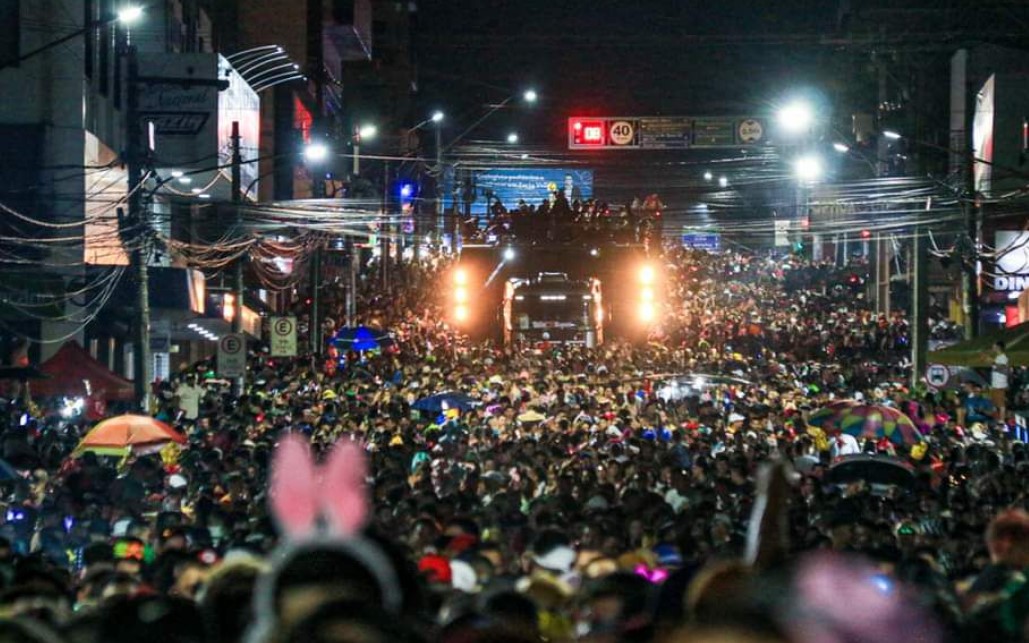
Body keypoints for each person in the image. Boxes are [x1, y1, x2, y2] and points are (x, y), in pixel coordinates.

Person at [990, 341, 1010, 422]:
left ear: (998, 347)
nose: (992, 348)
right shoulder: (997, 357)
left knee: (1001, 404)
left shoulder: (1003, 357)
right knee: (996, 403)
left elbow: (1004, 369)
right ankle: (998, 419)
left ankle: (1002, 421)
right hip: (995, 384)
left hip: (1000, 384)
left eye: (993, 347)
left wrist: (993, 362)